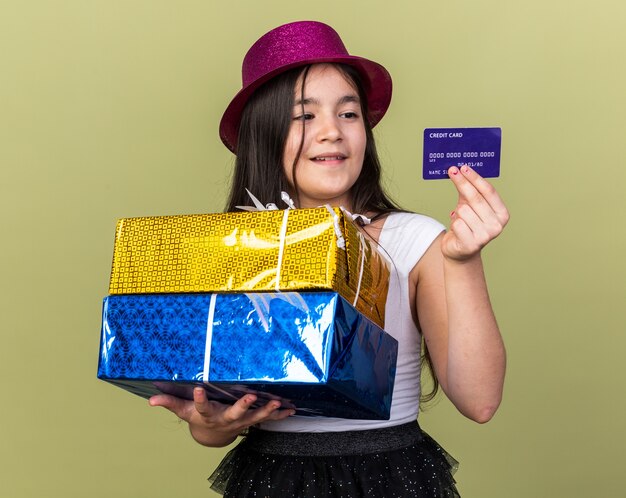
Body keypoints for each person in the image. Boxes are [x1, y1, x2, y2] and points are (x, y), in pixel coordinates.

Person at [149, 20, 508, 497]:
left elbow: (480, 401)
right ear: (264, 131)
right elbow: (212, 422)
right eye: (304, 116)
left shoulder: (415, 241)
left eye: (349, 113)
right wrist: (213, 423)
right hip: (271, 478)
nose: (331, 133)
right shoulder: (234, 248)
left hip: (391, 477)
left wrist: (464, 262)